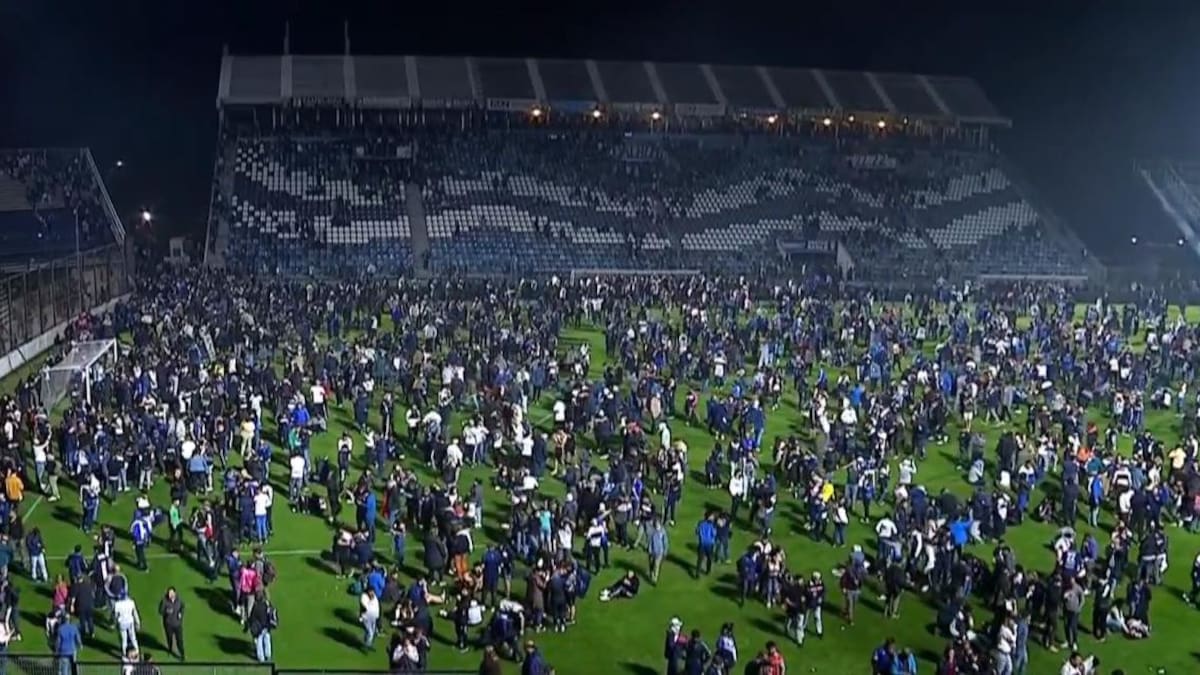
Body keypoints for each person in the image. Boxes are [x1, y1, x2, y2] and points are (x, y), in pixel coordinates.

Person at [158, 587, 185, 660]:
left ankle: (182, 654)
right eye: (169, 593)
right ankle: (169, 649)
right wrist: (166, 611)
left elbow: (182, 607)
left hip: (177, 625)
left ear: (175, 593)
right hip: (168, 624)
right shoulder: (164, 601)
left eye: (172, 593)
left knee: (179, 640)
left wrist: (180, 613)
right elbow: (160, 611)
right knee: (169, 639)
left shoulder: (179, 600)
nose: (170, 595)